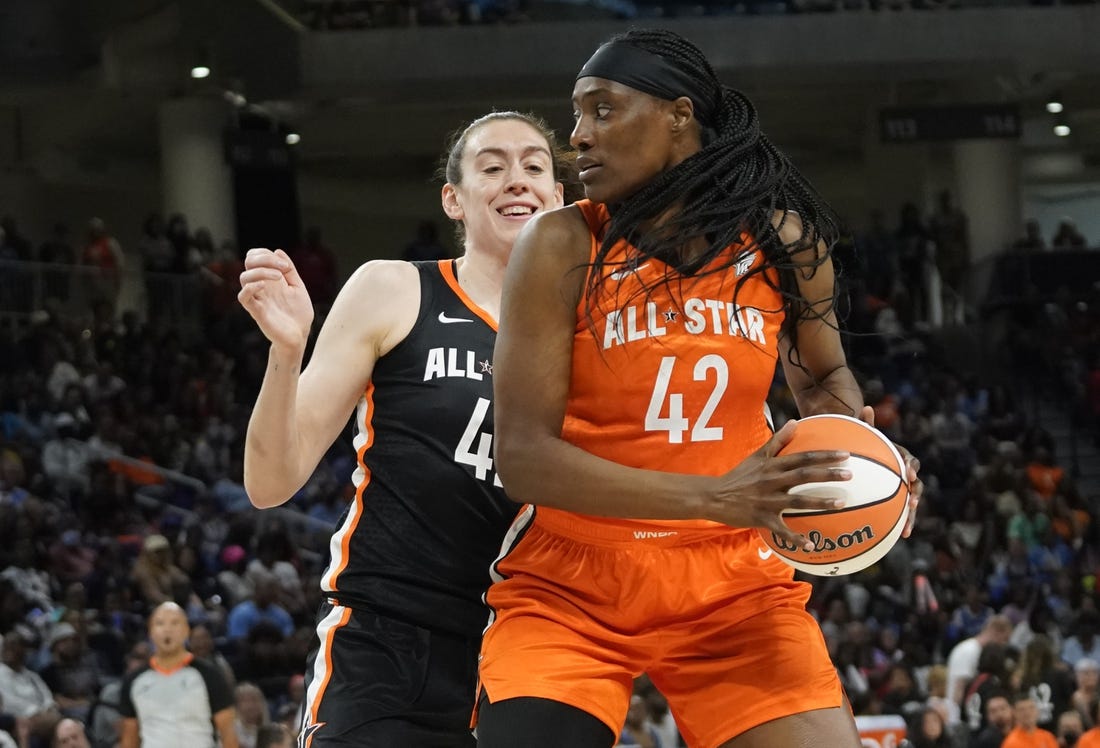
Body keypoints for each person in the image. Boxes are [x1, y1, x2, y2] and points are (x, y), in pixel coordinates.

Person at [475, 28, 922, 748]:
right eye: (577, 115)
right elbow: (523, 457)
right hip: (573, 583)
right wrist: (715, 497)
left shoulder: (783, 242)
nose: (578, 137)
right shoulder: (561, 244)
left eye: (602, 110)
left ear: (679, 115)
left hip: (734, 586)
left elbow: (826, 375)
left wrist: (856, 454)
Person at [237, 110, 566, 746]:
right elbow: (269, 481)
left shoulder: (588, 340)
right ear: (455, 200)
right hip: (384, 639)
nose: (516, 181)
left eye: (534, 167)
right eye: (492, 167)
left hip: (525, 653)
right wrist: (286, 352)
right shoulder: (393, 290)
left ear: (559, 198)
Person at [117, 602, 238, 748]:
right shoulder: (134, 681)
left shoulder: (209, 675)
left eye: (175, 623)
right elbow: (129, 740)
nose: (167, 629)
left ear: (186, 631)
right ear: (151, 632)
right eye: (160, 623)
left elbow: (228, 735)